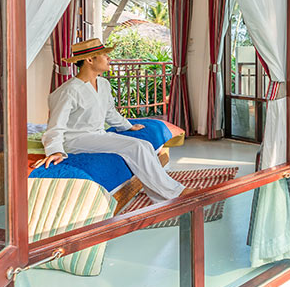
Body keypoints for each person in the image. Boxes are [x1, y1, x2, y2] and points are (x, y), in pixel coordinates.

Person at [38, 38, 189, 201]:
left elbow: (110, 112)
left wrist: (128, 126)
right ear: (89, 60)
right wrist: (55, 150)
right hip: (75, 139)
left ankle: (162, 194)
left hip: (97, 135)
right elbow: (55, 125)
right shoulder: (68, 91)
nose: (109, 58)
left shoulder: (103, 84)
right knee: (136, 147)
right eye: (104, 55)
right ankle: (175, 193)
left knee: (145, 145)